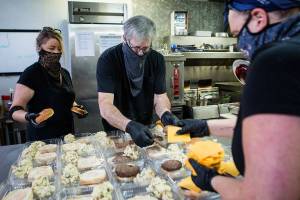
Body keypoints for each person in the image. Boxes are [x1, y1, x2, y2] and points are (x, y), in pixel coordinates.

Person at [176, 0, 300, 199]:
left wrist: (211, 180)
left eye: (238, 35)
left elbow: (266, 197)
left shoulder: (276, 62)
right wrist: (205, 126)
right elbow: (271, 131)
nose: (241, 47)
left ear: (259, 18)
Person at [97, 16, 178, 147]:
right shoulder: (108, 59)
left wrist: (165, 113)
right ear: (125, 39)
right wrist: (129, 126)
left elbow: (160, 96)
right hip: (118, 129)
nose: (141, 53)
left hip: (146, 127)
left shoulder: (157, 59)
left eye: (145, 48)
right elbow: (105, 105)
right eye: (136, 48)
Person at [9, 27, 87, 141]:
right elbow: (14, 111)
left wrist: (75, 106)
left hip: (67, 136)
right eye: (52, 48)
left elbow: (65, 98)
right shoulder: (31, 73)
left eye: (59, 48)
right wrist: (29, 117)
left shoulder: (64, 73)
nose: (56, 52)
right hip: (42, 139)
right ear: (39, 48)